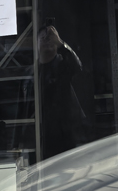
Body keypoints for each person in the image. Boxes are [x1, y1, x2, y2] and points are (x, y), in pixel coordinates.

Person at [37, 22, 87, 160]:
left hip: (66, 132)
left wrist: (60, 44)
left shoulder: (63, 65)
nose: (47, 41)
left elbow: (77, 66)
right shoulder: (33, 72)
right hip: (42, 133)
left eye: (50, 38)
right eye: (43, 38)